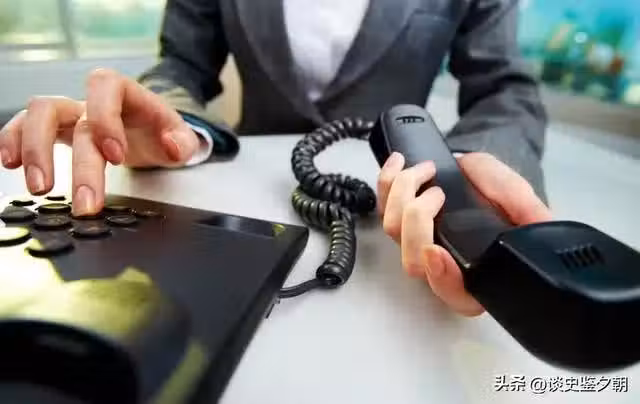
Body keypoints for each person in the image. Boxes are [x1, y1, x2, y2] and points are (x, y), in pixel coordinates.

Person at [0, 0, 552, 316]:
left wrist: (465, 185)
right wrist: (173, 129)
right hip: (245, 206)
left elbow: (504, 88)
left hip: (404, 206)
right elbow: (180, 66)